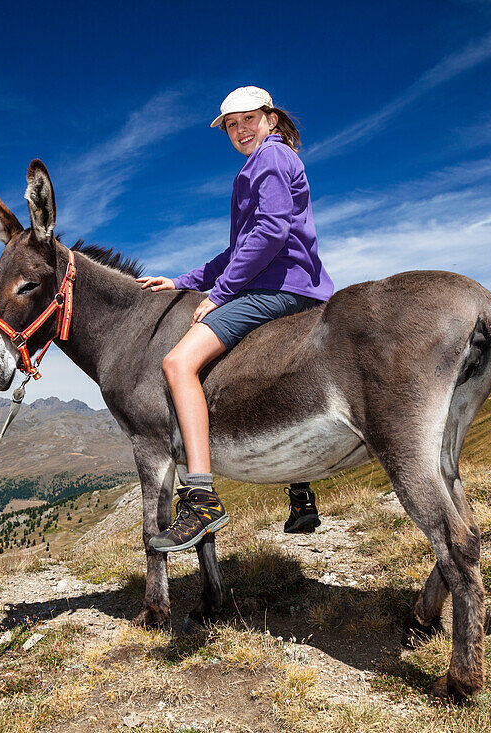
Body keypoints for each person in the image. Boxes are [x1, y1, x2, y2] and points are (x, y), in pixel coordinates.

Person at [135, 86, 335, 552]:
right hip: (304, 288)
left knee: (178, 364)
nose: (241, 129)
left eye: (249, 119)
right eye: (231, 124)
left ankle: (201, 497)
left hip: (275, 288)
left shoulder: (267, 160)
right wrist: (184, 281)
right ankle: (301, 489)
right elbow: (237, 250)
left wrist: (218, 295)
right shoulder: (274, 159)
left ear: (269, 118)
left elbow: (269, 232)